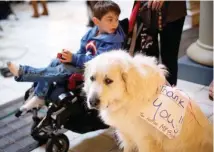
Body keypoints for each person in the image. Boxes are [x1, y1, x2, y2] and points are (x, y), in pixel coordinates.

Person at [7, 1, 125, 112]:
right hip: (83, 63)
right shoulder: (93, 32)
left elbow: (97, 62)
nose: (115, 23)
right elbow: (82, 49)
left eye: (116, 19)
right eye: (110, 20)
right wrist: (69, 57)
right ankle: (40, 96)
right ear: (96, 21)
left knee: (62, 69)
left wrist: (73, 59)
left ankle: (23, 72)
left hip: (95, 71)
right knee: (55, 62)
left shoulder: (113, 41)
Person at [131, 1, 186, 86]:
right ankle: (149, 95)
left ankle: (169, 96)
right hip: (144, 10)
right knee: (147, 60)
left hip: (173, 10)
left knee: (169, 59)